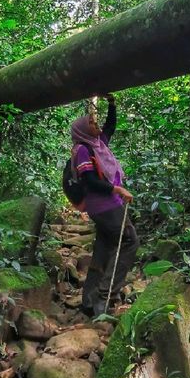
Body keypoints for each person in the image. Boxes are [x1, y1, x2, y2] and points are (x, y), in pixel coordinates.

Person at [70, 94, 138, 317]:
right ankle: (105, 294)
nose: (96, 123)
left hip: (107, 204)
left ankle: (89, 302)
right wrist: (116, 189)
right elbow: (89, 180)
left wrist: (112, 103)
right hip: (104, 205)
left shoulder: (98, 144)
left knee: (103, 248)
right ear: (82, 129)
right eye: (91, 122)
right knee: (129, 241)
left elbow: (111, 126)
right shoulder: (83, 149)